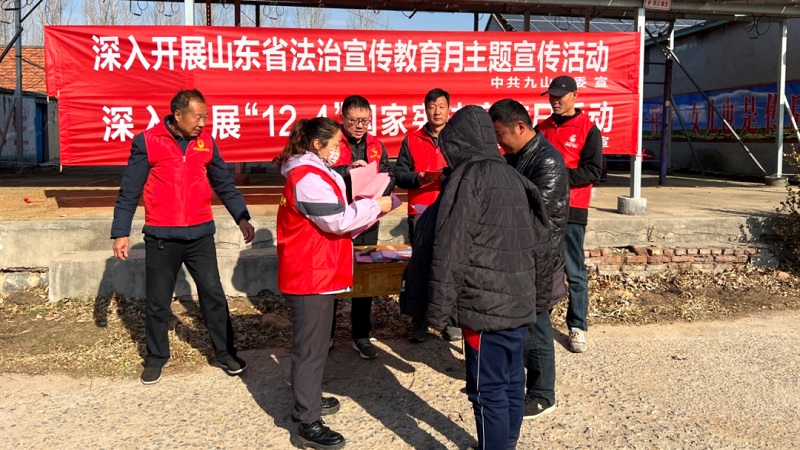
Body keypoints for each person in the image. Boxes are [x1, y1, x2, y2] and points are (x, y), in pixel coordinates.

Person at [412, 105, 551, 450]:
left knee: (487, 390)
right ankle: (507, 444)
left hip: (483, 306)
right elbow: (543, 242)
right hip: (518, 301)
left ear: (458, 142)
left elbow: (451, 247)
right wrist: (539, 297)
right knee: (511, 381)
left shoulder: (468, 178)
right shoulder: (513, 176)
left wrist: (437, 310)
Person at [110, 89, 255, 385]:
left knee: (213, 294)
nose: (202, 123)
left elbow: (224, 183)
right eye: (197, 117)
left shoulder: (206, 142)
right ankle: (156, 357)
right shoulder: (148, 141)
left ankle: (226, 353)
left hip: (200, 234)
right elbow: (130, 190)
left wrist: (242, 216)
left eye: (205, 117)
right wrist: (121, 232)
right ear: (178, 115)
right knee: (158, 300)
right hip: (162, 236)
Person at [275, 117, 397, 450]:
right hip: (309, 274)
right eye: (335, 144)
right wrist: (374, 205)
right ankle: (307, 421)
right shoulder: (306, 177)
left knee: (312, 347)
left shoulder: (314, 172)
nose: (339, 149)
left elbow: (337, 219)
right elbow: (338, 220)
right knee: (311, 350)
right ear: (317, 145)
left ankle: (308, 398)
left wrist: (372, 209)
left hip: (316, 270)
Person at [489, 98, 569, 420]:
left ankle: (542, 393)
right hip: (522, 255)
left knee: (537, 324)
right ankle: (523, 381)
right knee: (523, 322)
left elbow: (535, 212)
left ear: (520, 127)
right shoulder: (516, 156)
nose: (499, 142)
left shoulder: (547, 161)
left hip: (540, 257)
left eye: (500, 134)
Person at [537, 75, 603, 353]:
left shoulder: (588, 129)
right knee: (543, 269)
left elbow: (592, 171)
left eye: (560, 96)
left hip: (573, 208)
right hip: (543, 209)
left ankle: (577, 325)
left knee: (574, 271)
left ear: (574, 96)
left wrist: (557, 177)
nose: (555, 101)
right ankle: (540, 321)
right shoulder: (541, 128)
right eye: (552, 96)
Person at [393, 87, 461, 343]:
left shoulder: (457, 139)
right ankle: (419, 321)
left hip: (452, 211)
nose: (437, 111)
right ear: (425, 109)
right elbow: (399, 175)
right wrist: (417, 177)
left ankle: (450, 321)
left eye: (441, 106)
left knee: (451, 265)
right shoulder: (411, 139)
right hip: (420, 212)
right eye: (432, 107)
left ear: (449, 109)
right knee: (420, 267)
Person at [330, 95, 395, 360]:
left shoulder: (377, 145)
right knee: (333, 277)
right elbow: (320, 173)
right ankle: (326, 335)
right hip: (338, 220)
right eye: (354, 120)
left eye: (365, 121)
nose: (360, 126)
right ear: (342, 118)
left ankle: (361, 335)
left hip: (367, 221)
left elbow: (389, 175)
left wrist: (381, 189)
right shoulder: (332, 142)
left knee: (365, 278)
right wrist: (348, 171)